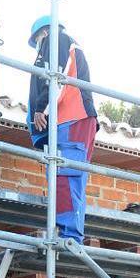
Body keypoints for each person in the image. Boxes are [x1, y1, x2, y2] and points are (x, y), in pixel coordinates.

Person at [27, 15, 98, 245]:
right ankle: (67, 232)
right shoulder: (64, 43)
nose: (38, 44)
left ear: (44, 33)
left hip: (71, 117)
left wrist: (40, 108)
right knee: (64, 176)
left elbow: (55, 75)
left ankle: (70, 237)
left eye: (37, 39)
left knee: (66, 175)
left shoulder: (56, 39)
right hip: (70, 120)